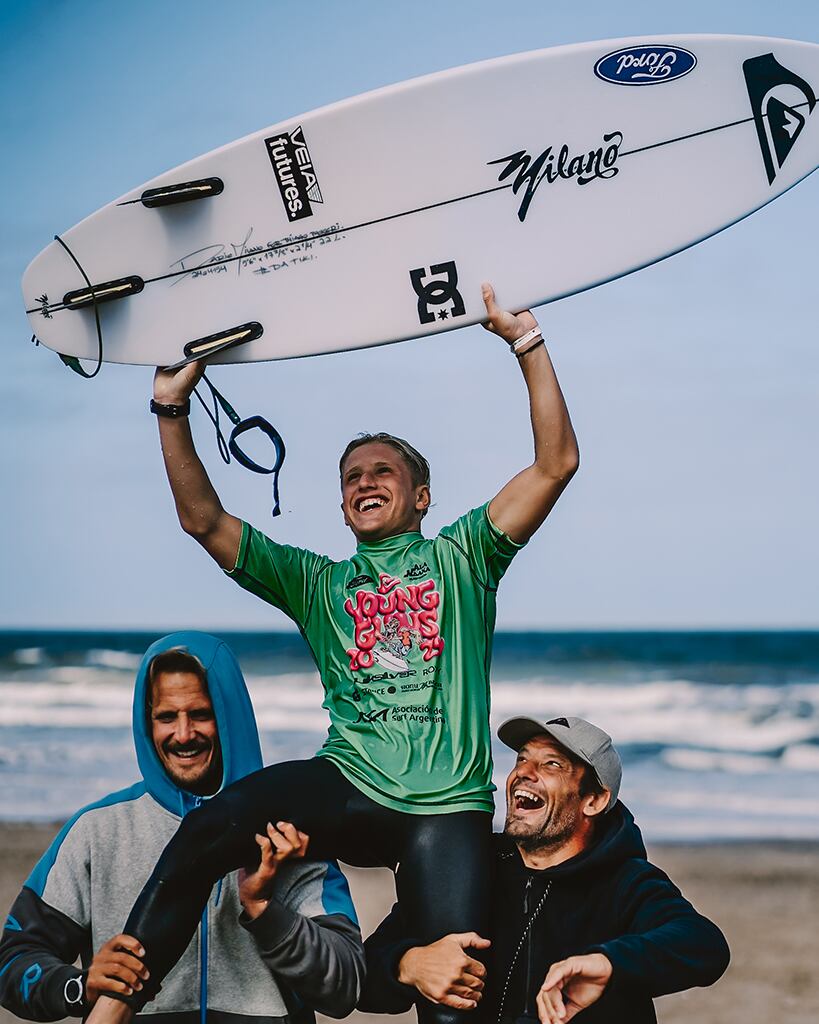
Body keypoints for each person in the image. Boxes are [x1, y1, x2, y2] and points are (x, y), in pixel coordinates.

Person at [85, 283, 579, 1024]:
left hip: (445, 813)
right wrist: (170, 407)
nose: (364, 481)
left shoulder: (464, 556)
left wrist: (525, 343)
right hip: (348, 785)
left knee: (456, 993)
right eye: (352, 477)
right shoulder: (317, 584)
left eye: (382, 472)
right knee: (210, 827)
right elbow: (202, 518)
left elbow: (555, 464)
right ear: (343, 505)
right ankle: (111, 1010)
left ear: (420, 497)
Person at [0, 633, 364, 1024]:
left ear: (229, 716)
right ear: (147, 723)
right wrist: (78, 987)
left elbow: (346, 985)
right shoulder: (98, 831)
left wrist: (264, 909)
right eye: (166, 717)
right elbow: (13, 962)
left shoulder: (287, 830)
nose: (184, 734)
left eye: (201, 714)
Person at [361, 715, 730, 1024]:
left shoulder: (625, 881)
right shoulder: (467, 869)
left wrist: (609, 963)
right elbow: (358, 978)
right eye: (522, 759)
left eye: (552, 764)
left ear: (595, 800)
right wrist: (408, 965)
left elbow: (703, 945)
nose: (525, 773)